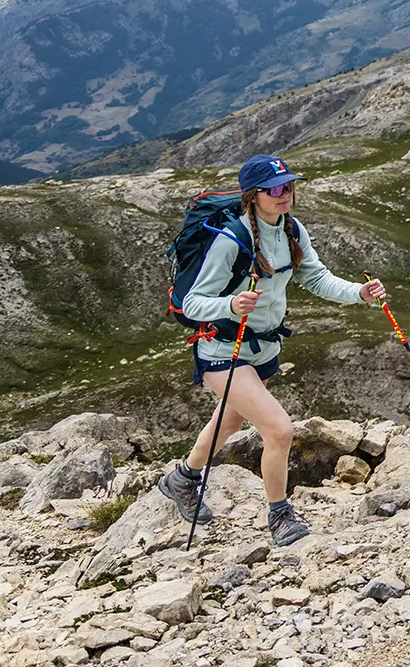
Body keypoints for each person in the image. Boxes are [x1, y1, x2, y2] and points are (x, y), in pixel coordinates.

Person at [157, 154, 385, 546]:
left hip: (262, 350)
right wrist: (229, 305)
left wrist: (358, 293)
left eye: (290, 186)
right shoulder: (232, 240)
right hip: (221, 349)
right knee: (279, 429)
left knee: (228, 424)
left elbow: (316, 278)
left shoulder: (293, 231)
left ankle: (181, 479)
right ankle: (280, 516)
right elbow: (193, 303)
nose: (285, 195)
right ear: (253, 196)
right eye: (275, 189)